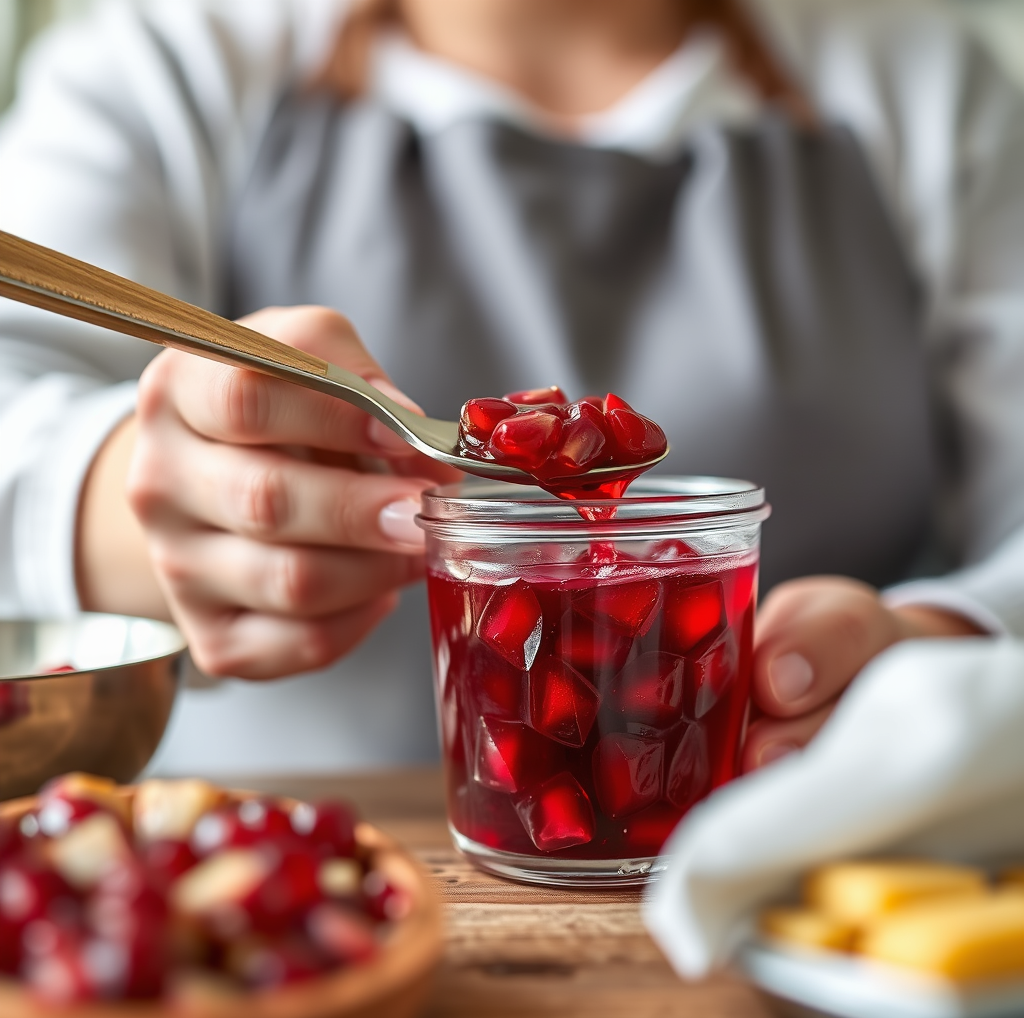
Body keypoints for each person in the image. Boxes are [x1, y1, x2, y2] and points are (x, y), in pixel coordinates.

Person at [0, 0, 1021, 776]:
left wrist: (940, 652)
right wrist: (141, 501)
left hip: (796, 871)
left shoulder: (922, 78)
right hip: (280, 902)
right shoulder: (168, 58)